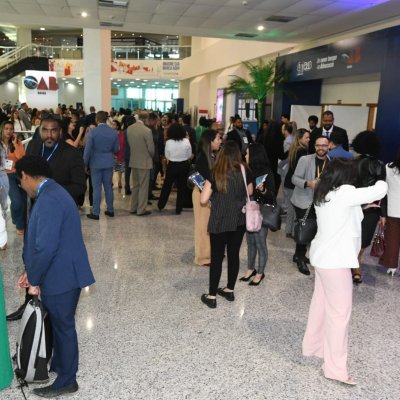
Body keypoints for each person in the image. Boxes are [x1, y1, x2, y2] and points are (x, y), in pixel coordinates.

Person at [15, 155, 95, 398]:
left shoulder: (48, 199)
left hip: (61, 276)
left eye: (20, 182)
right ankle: (60, 367)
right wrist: (31, 272)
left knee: (64, 327)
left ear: (26, 176)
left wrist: (35, 280)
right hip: (62, 270)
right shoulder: (53, 192)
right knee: (61, 325)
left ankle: (67, 381)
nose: (21, 186)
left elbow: (46, 247)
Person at [303, 158, 387, 385]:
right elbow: (381, 189)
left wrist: (361, 205)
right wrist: (381, 174)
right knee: (339, 314)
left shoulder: (324, 191)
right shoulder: (346, 192)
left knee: (320, 303)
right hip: (336, 262)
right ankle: (334, 369)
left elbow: (342, 211)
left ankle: (314, 347)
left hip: (321, 258)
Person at [200, 141, 252, 308]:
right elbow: (249, 192)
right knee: (233, 255)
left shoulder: (215, 172)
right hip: (239, 220)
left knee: (216, 258)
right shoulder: (245, 170)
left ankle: (212, 295)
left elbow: (203, 199)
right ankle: (229, 290)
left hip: (219, 220)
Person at [26, 114, 86, 204]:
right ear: (39, 131)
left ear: (60, 132)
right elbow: (26, 170)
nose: (49, 135)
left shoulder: (72, 153)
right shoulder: (32, 146)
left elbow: (80, 186)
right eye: (45, 130)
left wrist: (50, 190)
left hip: (61, 205)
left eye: (53, 131)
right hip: (36, 204)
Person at [291, 135, 329, 275]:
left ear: (328, 146)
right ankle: (301, 258)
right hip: (303, 200)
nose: (321, 148)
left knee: (311, 230)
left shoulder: (331, 163)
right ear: (314, 147)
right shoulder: (305, 159)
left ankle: (298, 254)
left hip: (320, 203)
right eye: (318, 145)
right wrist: (308, 183)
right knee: (306, 229)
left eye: (324, 145)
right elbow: (294, 178)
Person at [351, 130, 386, 284]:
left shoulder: (351, 162)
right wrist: (383, 214)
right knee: (364, 239)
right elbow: (382, 191)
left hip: (352, 205)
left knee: (351, 235)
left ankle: (351, 264)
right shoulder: (379, 165)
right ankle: (356, 265)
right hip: (371, 208)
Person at [239, 143, 275, 285]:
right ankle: (250, 269)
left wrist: (264, 190)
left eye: (247, 153)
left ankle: (260, 272)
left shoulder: (267, 173)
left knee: (260, 243)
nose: (245, 156)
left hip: (261, 212)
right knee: (250, 242)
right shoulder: (247, 171)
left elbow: (271, 196)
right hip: (249, 210)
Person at [193, 129, 222, 266]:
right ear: (210, 141)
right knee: (203, 226)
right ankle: (202, 257)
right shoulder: (203, 158)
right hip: (201, 194)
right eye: (218, 139)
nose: (220, 141)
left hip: (207, 194)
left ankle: (210, 253)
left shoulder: (211, 156)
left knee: (208, 226)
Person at [84, 111, 119, 220]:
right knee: (108, 187)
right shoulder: (113, 132)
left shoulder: (93, 132)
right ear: (106, 119)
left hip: (95, 163)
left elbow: (87, 150)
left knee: (96, 188)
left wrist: (85, 164)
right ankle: (110, 210)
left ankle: (95, 212)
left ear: (97, 119)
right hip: (108, 162)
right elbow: (116, 149)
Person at [157, 123, 192, 214]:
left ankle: (161, 205)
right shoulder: (186, 141)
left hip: (172, 165)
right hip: (184, 165)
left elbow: (167, 156)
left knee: (167, 186)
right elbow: (189, 155)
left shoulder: (168, 142)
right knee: (181, 187)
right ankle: (178, 209)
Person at [284, 128, 310, 239]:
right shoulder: (302, 151)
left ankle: (288, 231)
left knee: (291, 208)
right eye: (306, 137)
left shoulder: (294, 148)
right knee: (296, 209)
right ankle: (295, 233)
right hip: (295, 183)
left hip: (289, 181)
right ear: (300, 138)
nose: (309, 139)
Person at [0, 121, 26, 234]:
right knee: (17, 200)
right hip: (5, 175)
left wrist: (15, 143)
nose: (9, 131)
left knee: (24, 199)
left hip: (18, 173)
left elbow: (21, 157)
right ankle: (20, 226)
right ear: (2, 129)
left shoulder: (17, 142)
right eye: (6, 128)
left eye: (11, 129)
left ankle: (16, 218)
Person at [127, 112, 154, 216]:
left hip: (134, 161)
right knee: (143, 186)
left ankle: (133, 208)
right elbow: (151, 149)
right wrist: (151, 156)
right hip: (144, 162)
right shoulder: (147, 131)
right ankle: (141, 209)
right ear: (145, 119)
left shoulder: (130, 128)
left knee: (135, 186)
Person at [379, 147, 400, 275]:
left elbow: (383, 192)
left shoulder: (388, 168)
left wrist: (382, 214)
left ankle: (392, 266)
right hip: (393, 210)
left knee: (392, 239)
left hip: (393, 210)